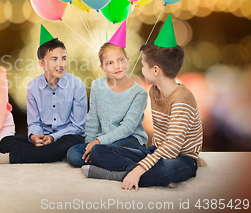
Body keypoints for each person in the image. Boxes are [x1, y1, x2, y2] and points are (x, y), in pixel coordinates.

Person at [82, 15, 203, 191]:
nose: (140, 69)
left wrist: (139, 169)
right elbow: (160, 147)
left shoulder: (182, 99)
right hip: (155, 151)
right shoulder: (154, 91)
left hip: (181, 158)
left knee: (167, 169)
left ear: (155, 70)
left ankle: (115, 175)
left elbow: (171, 148)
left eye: (144, 65)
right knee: (98, 151)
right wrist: (144, 162)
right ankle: (142, 172)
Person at [0, 25, 87, 164]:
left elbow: (78, 127)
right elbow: (34, 122)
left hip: (68, 136)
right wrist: (34, 136)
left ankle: (13, 158)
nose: (61, 64)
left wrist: (53, 138)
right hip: (44, 136)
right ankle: (49, 153)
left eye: (63, 58)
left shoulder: (76, 85)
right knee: (5, 142)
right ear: (42, 63)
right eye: (54, 59)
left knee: (69, 142)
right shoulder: (33, 87)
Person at [67, 22, 148, 167]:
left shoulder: (139, 93)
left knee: (100, 151)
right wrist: (89, 146)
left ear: (127, 61)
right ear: (103, 67)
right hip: (103, 142)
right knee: (73, 153)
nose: (117, 66)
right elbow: (92, 120)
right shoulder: (97, 86)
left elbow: (127, 128)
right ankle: (112, 161)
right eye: (110, 63)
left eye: (120, 60)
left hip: (130, 140)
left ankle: (116, 159)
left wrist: (98, 143)